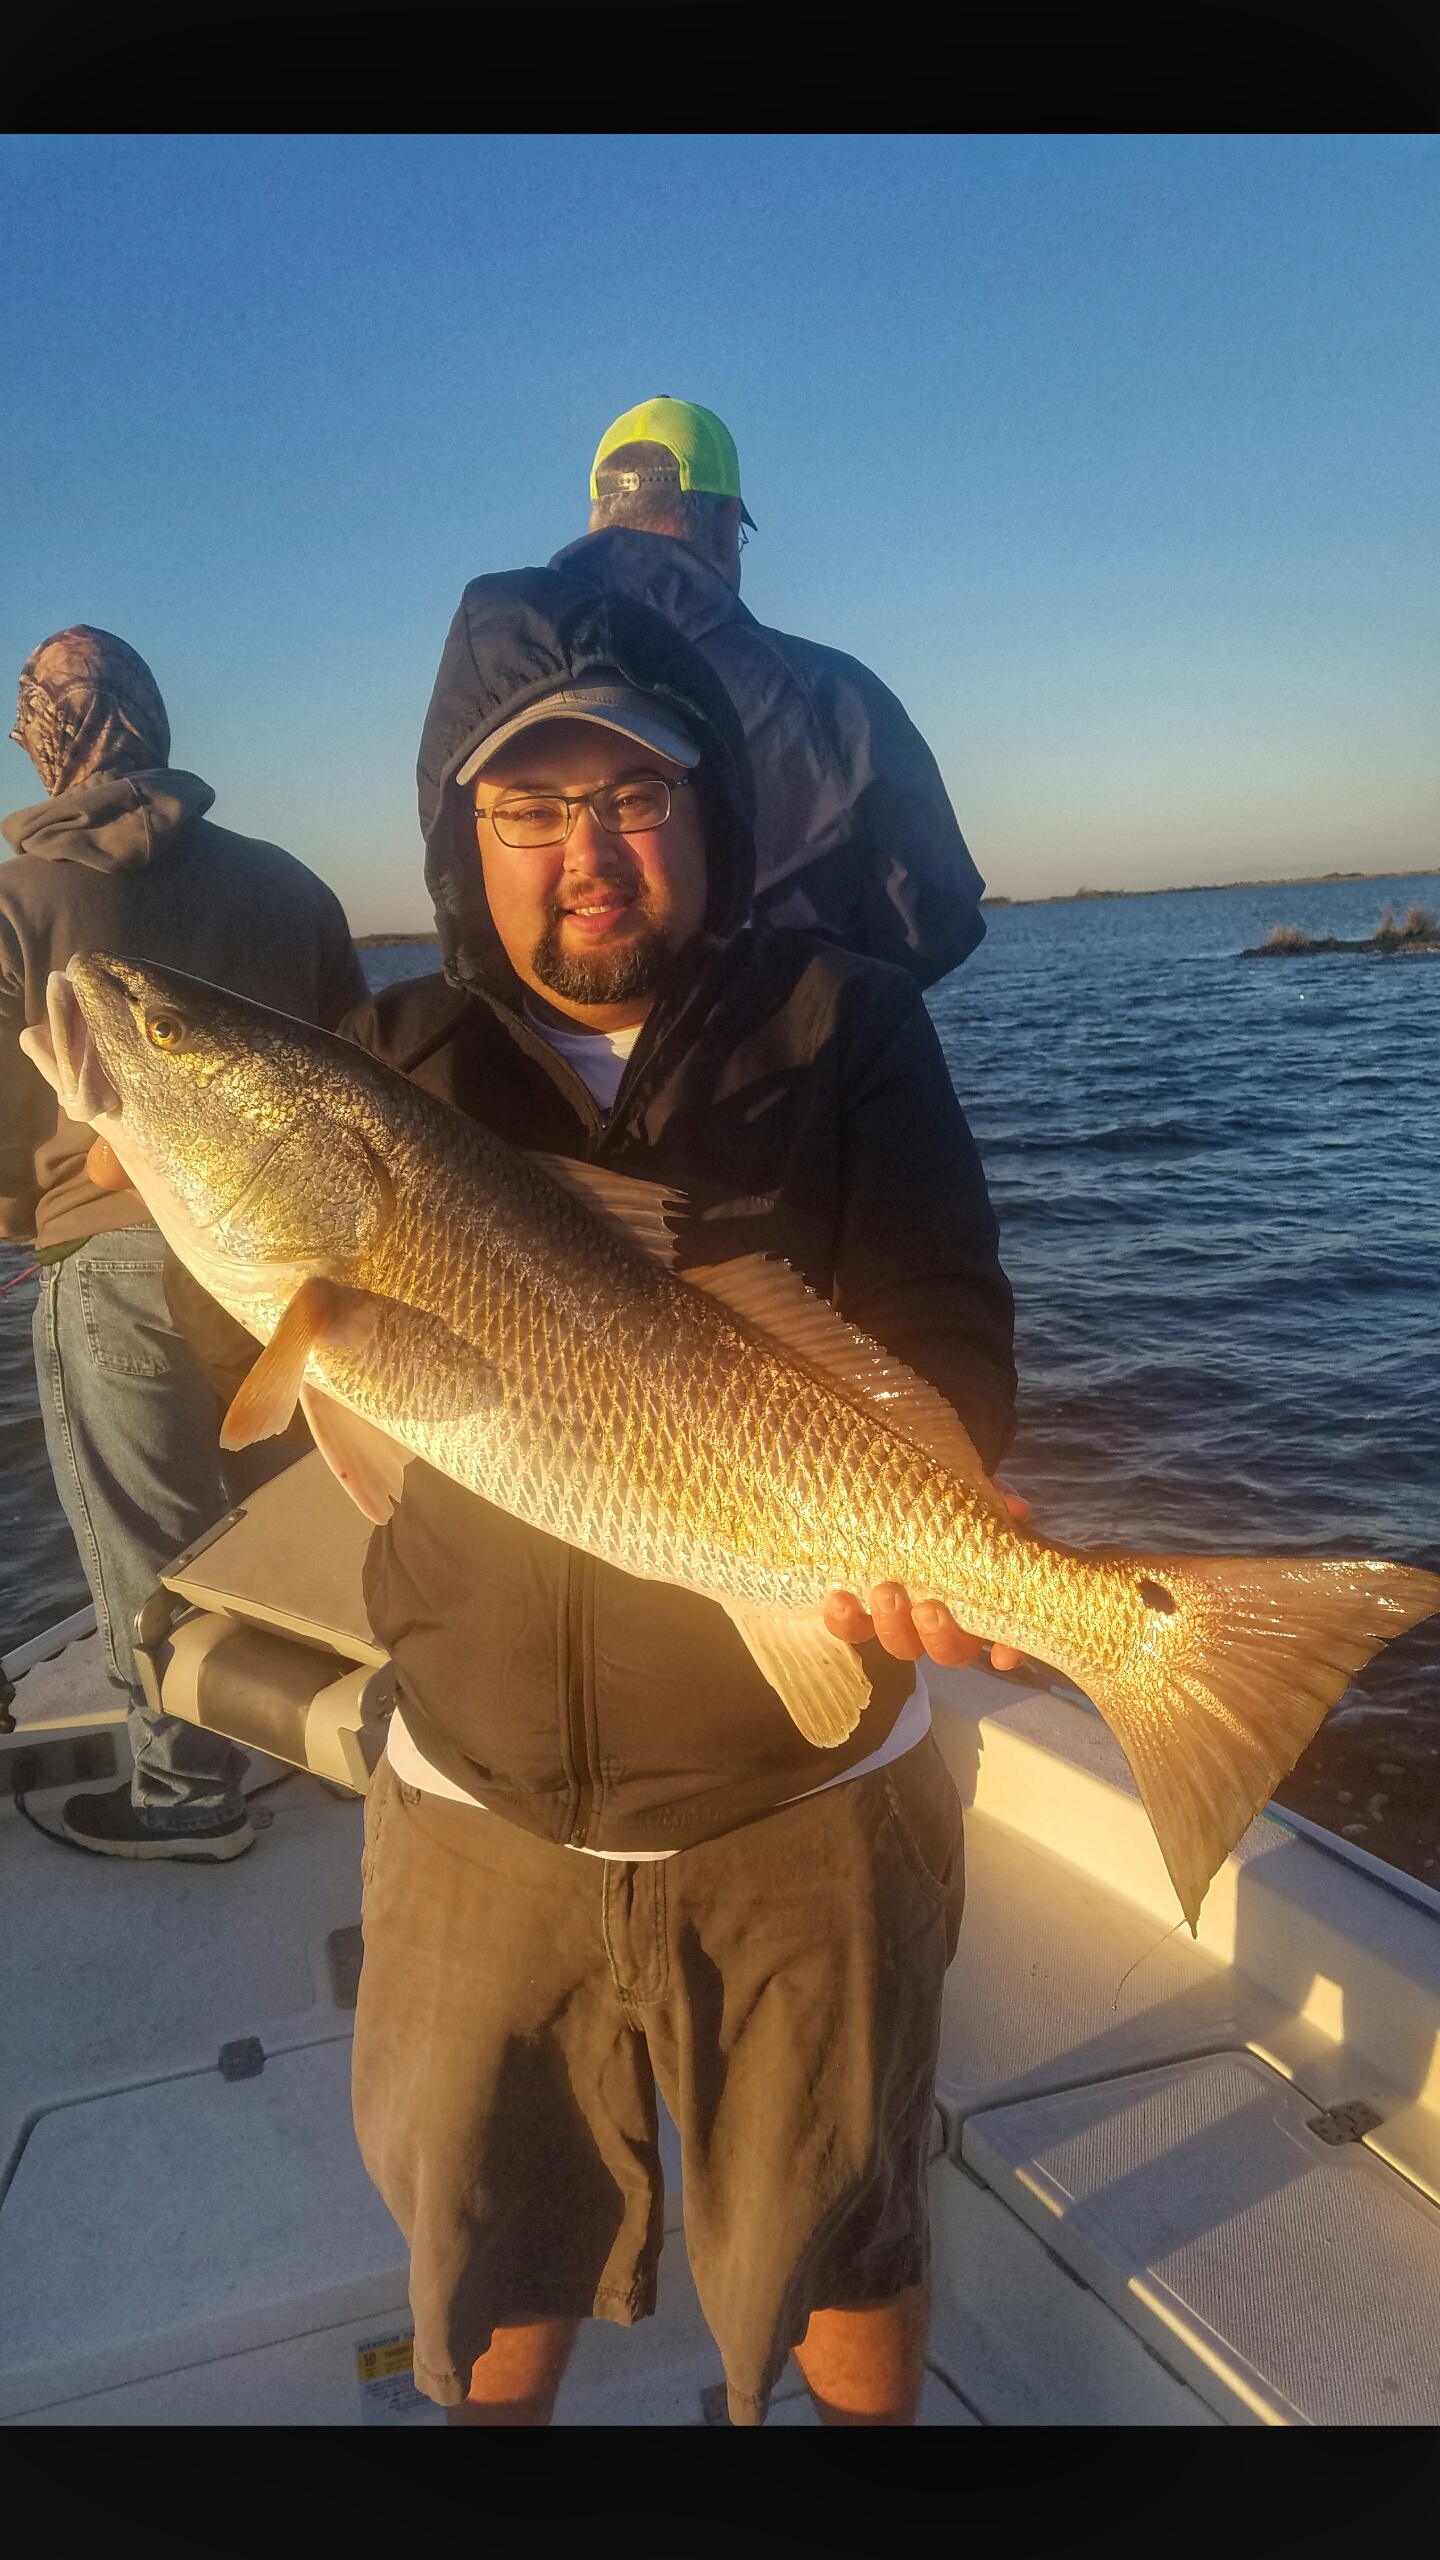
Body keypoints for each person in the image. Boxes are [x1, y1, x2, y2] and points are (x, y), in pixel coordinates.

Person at [344, 569, 1018, 2425]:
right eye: (531, 806)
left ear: (708, 808)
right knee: (487, 2244)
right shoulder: (390, 1069)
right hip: (475, 1805)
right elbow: (250, 1362)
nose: (588, 851)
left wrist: (930, 1525)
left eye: (633, 794)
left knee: (844, 2234)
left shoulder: (846, 1024)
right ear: (461, 833)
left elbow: (950, 1328)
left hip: (806, 1809)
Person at [0, 625, 367, 1859]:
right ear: (152, 718)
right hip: (292, 1271)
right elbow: (366, 1084)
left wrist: (32, 1216)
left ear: (41, 733)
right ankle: (344, 1751)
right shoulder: (293, 885)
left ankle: (183, 1793)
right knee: (310, 1511)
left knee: (147, 1547)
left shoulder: (12, 902)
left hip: (109, 1264)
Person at [551, 396, 986, 988]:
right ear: (726, 526)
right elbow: (937, 918)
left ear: (595, 525)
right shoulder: (831, 696)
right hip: (801, 1040)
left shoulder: (516, 686)